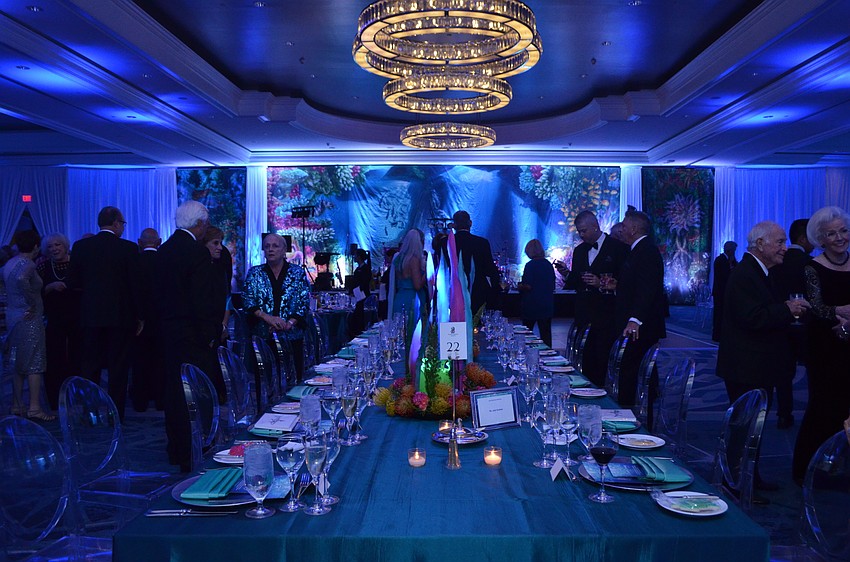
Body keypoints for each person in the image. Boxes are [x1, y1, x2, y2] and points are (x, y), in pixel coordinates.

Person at [717, 220, 810, 493]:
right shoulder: (746, 274)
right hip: (746, 366)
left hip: (754, 363)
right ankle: (736, 483)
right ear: (760, 244)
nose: (785, 248)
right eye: (779, 242)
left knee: (750, 427)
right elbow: (752, 317)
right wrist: (787, 309)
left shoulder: (759, 272)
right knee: (743, 428)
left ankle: (748, 479)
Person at [155, 201, 223, 471]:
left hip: (167, 332)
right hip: (193, 335)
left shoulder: (164, 250)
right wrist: (210, 335)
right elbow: (202, 300)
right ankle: (199, 447)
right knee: (196, 393)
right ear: (200, 224)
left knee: (173, 392)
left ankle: (177, 449)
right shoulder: (196, 253)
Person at [792, 207, 850, 482]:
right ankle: (808, 469)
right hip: (824, 347)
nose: (840, 237)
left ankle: (839, 468)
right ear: (821, 239)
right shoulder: (812, 267)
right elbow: (815, 308)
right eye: (832, 233)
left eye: (843, 231)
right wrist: (841, 311)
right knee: (823, 406)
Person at [68, 206, 142, 421]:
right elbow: (134, 286)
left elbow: (73, 282)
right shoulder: (128, 249)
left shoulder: (81, 247)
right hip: (120, 316)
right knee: (118, 367)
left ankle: (89, 413)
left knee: (90, 365)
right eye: (123, 224)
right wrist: (140, 315)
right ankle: (115, 413)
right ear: (117, 223)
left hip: (90, 315)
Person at [558, 210, 629, 386]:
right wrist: (566, 274)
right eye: (579, 231)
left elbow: (627, 282)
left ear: (595, 227)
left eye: (584, 230)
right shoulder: (580, 250)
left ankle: (603, 396)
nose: (581, 234)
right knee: (584, 357)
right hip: (583, 313)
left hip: (607, 314)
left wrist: (601, 283)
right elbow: (576, 280)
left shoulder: (618, 248)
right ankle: (585, 391)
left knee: (603, 358)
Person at [614, 210, 667, 408]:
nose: (621, 229)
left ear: (634, 229)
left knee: (639, 373)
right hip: (635, 326)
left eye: (624, 226)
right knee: (638, 372)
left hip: (640, 329)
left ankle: (637, 417)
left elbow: (647, 289)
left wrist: (634, 319)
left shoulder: (647, 251)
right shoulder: (638, 250)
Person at [243, 233, 310, 386]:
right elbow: (247, 300)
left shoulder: (297, 273)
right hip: (263, 337)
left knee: (293, 384)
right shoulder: (255, 273)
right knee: (265, 384)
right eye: (267, 246)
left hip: (291, 337)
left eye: (275, 246)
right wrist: (268, 318)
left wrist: (289, 323)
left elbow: (303, 301)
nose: (270, 249)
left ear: (284, 250)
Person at [1, 230, 54, 421]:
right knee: (35, 362)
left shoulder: (8, 263)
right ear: (35, 246)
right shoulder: (29, 264)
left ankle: (17, 404)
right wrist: (31, 302)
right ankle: (34, 407)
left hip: (13, 316)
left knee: (16, 362)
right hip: (29, 318)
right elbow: (22, 279)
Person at [771, 218, 814, 429]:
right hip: (808, 326)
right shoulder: (811, 262)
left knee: (784, 372)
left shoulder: (779, 262)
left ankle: (783, 413)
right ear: (803, 238)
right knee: (813, 369)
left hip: (782, 323)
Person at [36, 232, 81, 410]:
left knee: (77, 356)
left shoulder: (76, 265)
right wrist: (50, 287)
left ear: (65, 246)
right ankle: (55, 399)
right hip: (54, 318)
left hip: (77, 317)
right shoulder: (42, 267)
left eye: (57, 245)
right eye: (50, 246)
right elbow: (35, 294)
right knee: (55, 357)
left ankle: (77, 395)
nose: (54, 249)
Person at [130, 228, 163, 412]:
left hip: (139, 321)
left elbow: (131, 292)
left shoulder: (134, 262)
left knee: (140, 362)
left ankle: (140, 402)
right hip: (161, 319)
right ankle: (161, 400)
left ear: (139, 242)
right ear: (159, 242)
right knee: (160, 360)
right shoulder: (165, 261)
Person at [389, 229, 427, 373]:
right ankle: (412, 370)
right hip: (413, 300)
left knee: (401, 337)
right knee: (414, 337)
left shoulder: (398, 258)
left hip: (400, 298)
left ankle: (399, 369)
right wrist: (429, 273)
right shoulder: (414, 259)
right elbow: (417, 284)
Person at [452, 210, 501, 316]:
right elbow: (490, 269)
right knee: (476, 323)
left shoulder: (446, 242)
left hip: (453, 291)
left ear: (454, 225)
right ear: (470, 223)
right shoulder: (481, 243)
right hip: (477, 291)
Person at [517, 239, 555, 348]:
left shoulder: (530, 265)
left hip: (531, 305)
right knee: (546, 335)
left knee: (527, 334)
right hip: (546, 304)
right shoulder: (548, 264)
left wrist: (520, 286)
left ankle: (526, 356)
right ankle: (548, 357)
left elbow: (528, 285)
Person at [711, 241, 738, 342]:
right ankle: (717, 335)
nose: (734, 252)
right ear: (729, 250)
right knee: (719, 314)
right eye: (734, 250)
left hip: (726, 292)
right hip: (720, 292)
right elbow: (723, 276)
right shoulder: (720, 260)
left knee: (724, 314)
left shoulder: (730, 260)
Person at [348, 248, 371, 336]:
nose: (354, 257)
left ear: (359, 256)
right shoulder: (358, 269)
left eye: (356, 255)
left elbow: (364, 283)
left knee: (360, 317)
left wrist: (355, 291)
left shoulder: (365, 269)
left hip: (362, 297)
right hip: (356, 296)